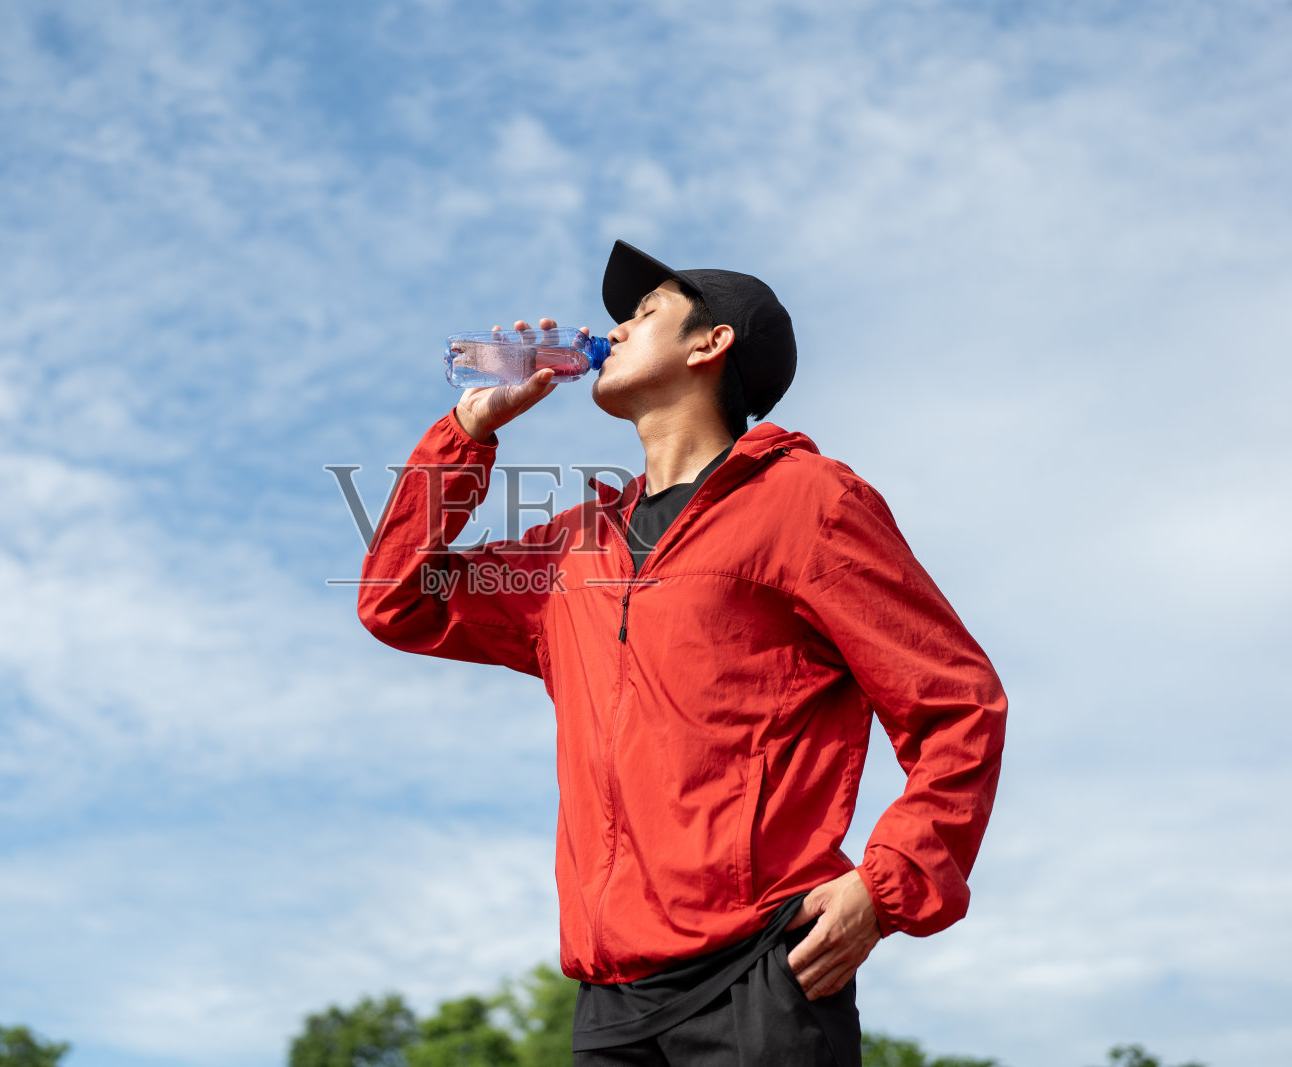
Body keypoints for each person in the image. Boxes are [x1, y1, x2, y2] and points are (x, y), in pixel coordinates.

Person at [357, 241, 1007, 1066]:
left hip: (759, 975)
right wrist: (467, 432)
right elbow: (397, 599)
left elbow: (957, 703)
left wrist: (886, 887)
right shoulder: (573, 550)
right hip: (609, 1005)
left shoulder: (807, 501)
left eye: (644, 312)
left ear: (711, 343)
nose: (614, 330)